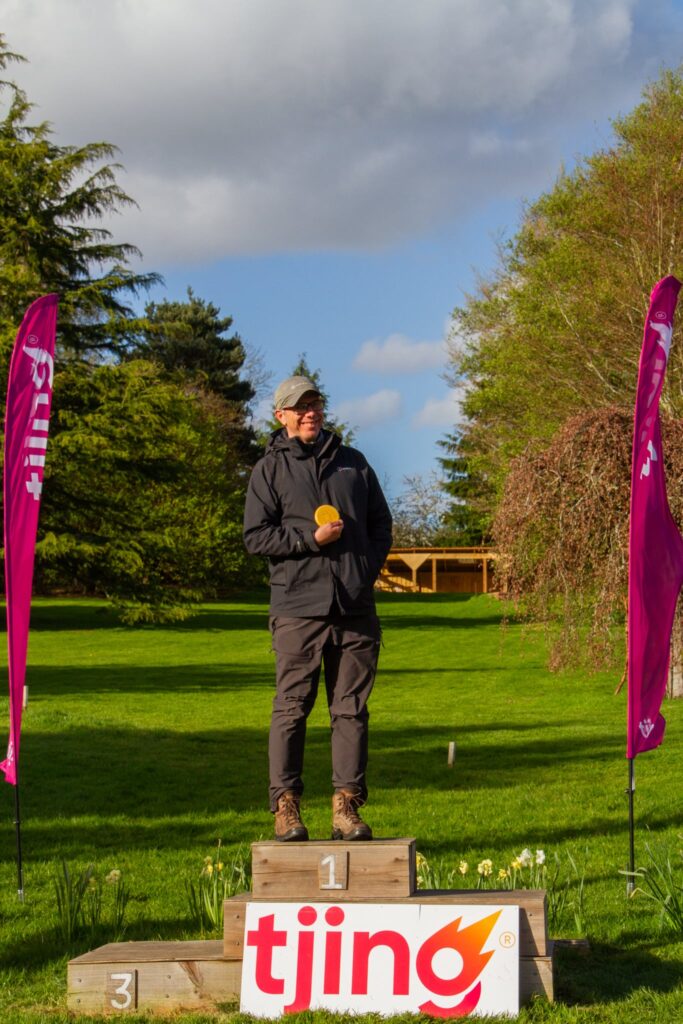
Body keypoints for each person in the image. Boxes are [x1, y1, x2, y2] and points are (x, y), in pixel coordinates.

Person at [243, 375, 392, 842]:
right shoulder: (269, 470)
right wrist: (310, 538)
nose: (310, 412)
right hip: (297, 609)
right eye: (300, 406)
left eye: (316, 403)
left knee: (351, 711)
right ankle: (286, 807)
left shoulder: (353, 464)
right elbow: (255, 537)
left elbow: (380, 525)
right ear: (281, 415)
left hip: (354, 608)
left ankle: (346, 807)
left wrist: (363, 573)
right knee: (291, 708)